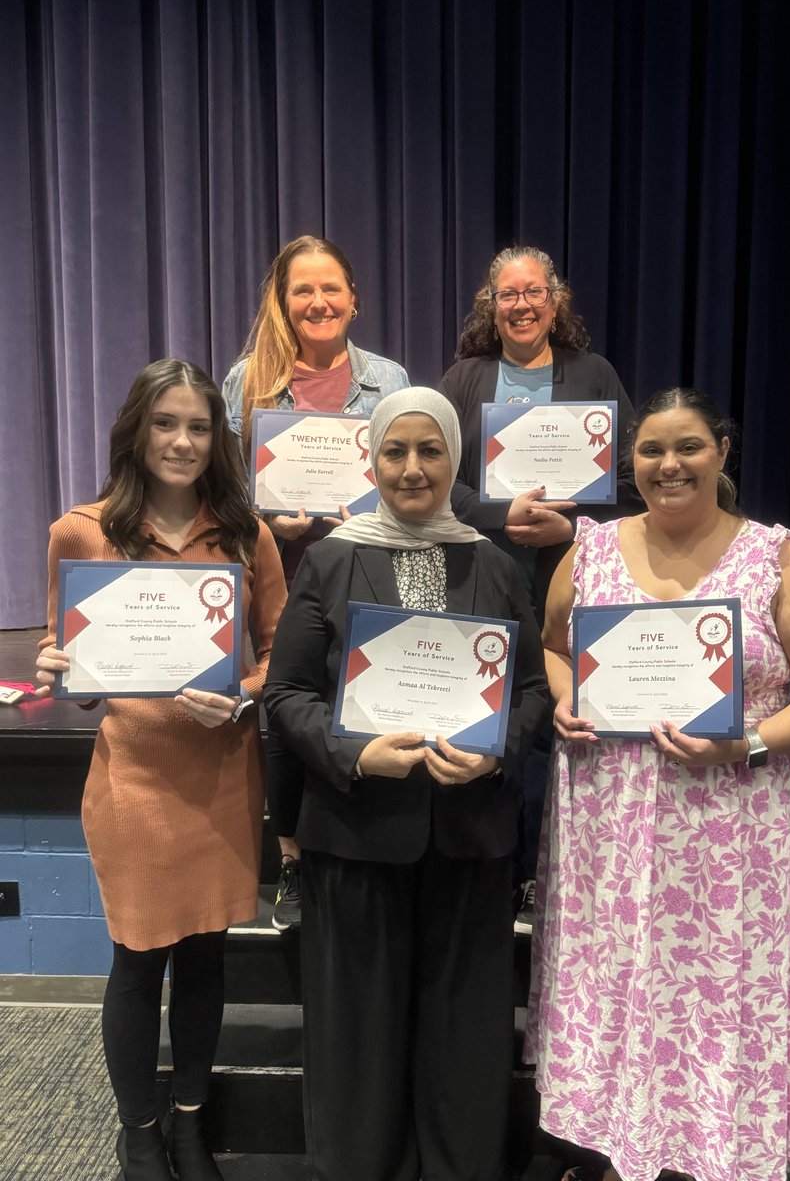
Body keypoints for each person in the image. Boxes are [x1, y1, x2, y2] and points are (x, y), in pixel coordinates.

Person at [526, 388, 790, 1181]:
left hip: (732, 827)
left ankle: (718, 1152)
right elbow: (553, 647)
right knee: (617, 983)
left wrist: (744, 740)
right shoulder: (592, 549)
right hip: (611, 822)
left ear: (722, 453)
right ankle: (620, 1150)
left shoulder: (777, 559)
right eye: (650, 450)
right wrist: (567, 694)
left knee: (716, 991)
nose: (668, 464)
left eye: (688, 448)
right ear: (630, 462)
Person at [264, 387, 549, 1181]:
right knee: (357, 1035)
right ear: (373, 459)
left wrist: (497, 753)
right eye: (397, 451)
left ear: (455, 459)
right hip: (355, 835)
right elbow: (286, 694)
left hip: (469, 840)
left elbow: (530, 693)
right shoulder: (329, 558)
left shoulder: (495, 564)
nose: (413, 468)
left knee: (466, 1033)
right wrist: (355, 753)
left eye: (431, 451)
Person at [35, 360, 287, 1181]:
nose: (183, 441)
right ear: (137, 432)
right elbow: (77, 680)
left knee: (209, 956)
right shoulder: (81, 530)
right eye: (166, 424)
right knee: (139, 960)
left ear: (219, 439)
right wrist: (59, 669)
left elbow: (279, 656)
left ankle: (188, 1120)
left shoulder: (248, 533)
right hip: (135, 782)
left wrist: (246, 698)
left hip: (221, 775)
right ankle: (137, 1130)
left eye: (200, 426)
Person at [438, 245, 639, 929]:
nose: (521, 305)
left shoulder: (594, 375)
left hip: (568, 587)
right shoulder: (465, 379)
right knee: (490, 724)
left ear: (557, 300)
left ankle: (546, 878)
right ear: (490, 307)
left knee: (557, 734)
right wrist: (501, 514)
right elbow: (436, 479)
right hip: (482, 584)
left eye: (534, 293)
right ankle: (495, 874)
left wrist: (570, 526)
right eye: (508, 295)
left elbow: (636, 486)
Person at [222, 234, 409, 930]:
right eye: (303, 289)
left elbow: (412, 473)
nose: (318, 301)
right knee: (284, 716)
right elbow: (224, 490)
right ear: (283, 300)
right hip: (284, 577)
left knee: (361, 706)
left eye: (331, 288)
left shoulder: (388, 382)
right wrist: (273, 525)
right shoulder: (248, 382)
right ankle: (294, 860)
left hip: (367, 573)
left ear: (354, 300)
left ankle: (357, 852)